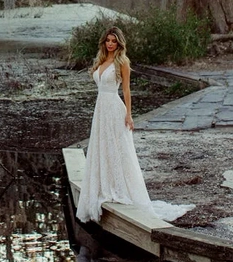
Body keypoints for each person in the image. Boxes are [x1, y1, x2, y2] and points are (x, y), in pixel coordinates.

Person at [76, 26, 191, 225]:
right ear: (104, 42)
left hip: (114, 107)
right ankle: (105, 185)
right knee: (102, 146)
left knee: (118, 148)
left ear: (119, 43)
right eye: (108, 41)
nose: (110, 44)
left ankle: (120, 188)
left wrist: (129, 115)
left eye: (114, 41)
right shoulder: (102, 60)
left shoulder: (123, 62)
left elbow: (127, 91)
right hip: (100, 109)